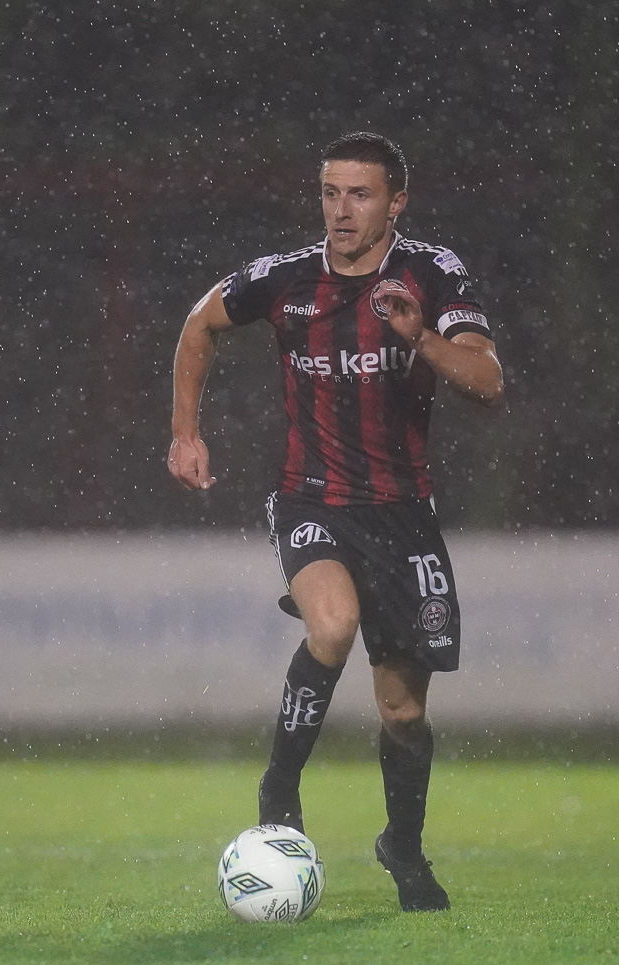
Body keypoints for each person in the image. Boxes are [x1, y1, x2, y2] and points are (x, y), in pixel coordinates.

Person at [167, 132, 503, 912]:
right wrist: (185, 432)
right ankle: (279, 788)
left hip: (400, 514)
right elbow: (198, 325)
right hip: (310, 497)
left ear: (396, 202)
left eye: (359, 194)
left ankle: (402, 847)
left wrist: (419, 337)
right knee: (331, 626)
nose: (341, 210)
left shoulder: (432, 273)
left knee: (403, 711)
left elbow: (487, 383)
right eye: (329, 192)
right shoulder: (285, 280)